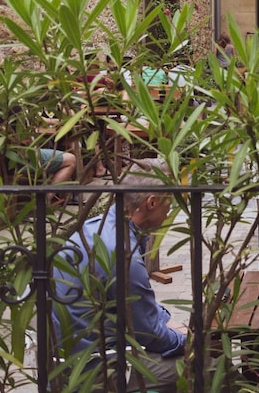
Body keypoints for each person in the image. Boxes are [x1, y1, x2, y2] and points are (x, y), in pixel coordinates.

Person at [52, 164, 186, 393]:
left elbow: (139, 308)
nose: (169, 213)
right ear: (151, 202)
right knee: (204, 363)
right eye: (169, 205)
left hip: (60, 358)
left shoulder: (98, 226)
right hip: (94, 369)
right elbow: (150, 334)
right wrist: (185, 338)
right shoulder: (124, 255)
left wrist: (165, 318)